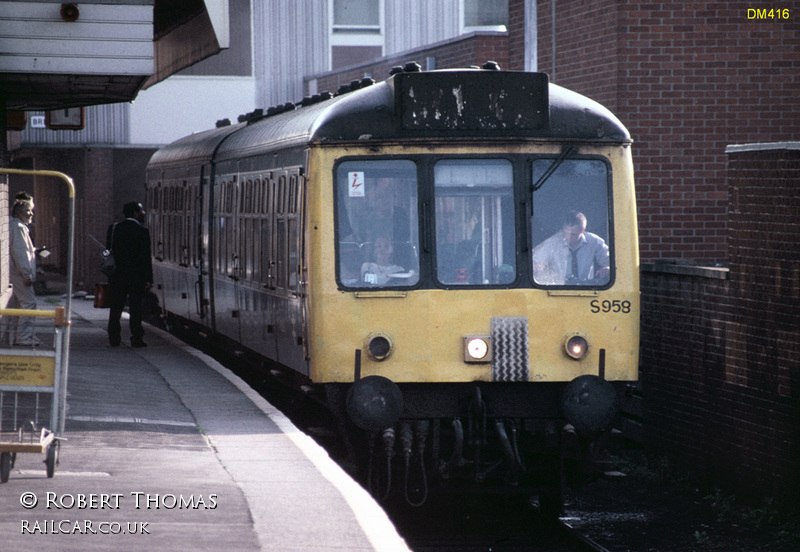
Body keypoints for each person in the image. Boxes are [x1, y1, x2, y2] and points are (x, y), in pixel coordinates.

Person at [107, 202, 153, 347]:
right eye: (141, 210)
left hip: (117, 275)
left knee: (116, 308)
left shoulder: (114, 229)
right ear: (135, 213)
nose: (143, 213)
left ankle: (114, 337)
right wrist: (148, 279)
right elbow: (146, 258)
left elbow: (109, 251)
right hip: (136, 277)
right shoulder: (142, 232)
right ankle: (136, 337)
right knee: (135, 308)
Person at [532, 211, 610, 285]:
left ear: (582, 230)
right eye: (566, 233)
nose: (568, 238)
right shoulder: (552, 243)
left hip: (586, 290)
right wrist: (537, 266)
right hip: (558, 290)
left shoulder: (594, 242)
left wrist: (607, 268)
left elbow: (613, 263)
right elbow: (532, 263)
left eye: (573, 234)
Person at [9, 196, 39, 345]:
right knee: (29, 303)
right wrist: (27, 274)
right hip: (20, 274)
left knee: (18, 305)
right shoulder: (19, 228)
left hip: (15, 272)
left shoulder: (14, 226)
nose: (31, 214)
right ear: (20, 213)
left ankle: (18, 335)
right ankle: (23, 337)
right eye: (29, 211)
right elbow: (20, 253)